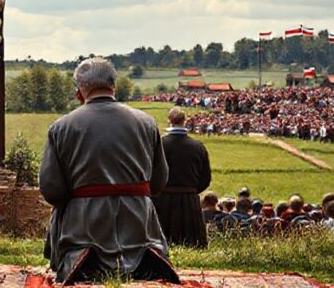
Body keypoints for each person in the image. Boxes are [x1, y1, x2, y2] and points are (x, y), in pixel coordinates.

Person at [39, 57, 179, 284]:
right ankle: (145, 254)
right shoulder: (147, 122)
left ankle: (81, 256)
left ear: (79, 92)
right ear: (114, 86)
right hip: (138, 223)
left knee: (64, 218)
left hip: (83, 224)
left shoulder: (61, 127)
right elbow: (159, 182)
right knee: (143, 239)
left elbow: (52, 190)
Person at [152, 107, 211, 248]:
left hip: (162, 198)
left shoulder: (159, 144)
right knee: (192, 243)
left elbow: (150, 172)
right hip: (189, 201)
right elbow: (205, 178)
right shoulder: (198, 147)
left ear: (169, 120)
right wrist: (190, 191)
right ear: (185, 121)